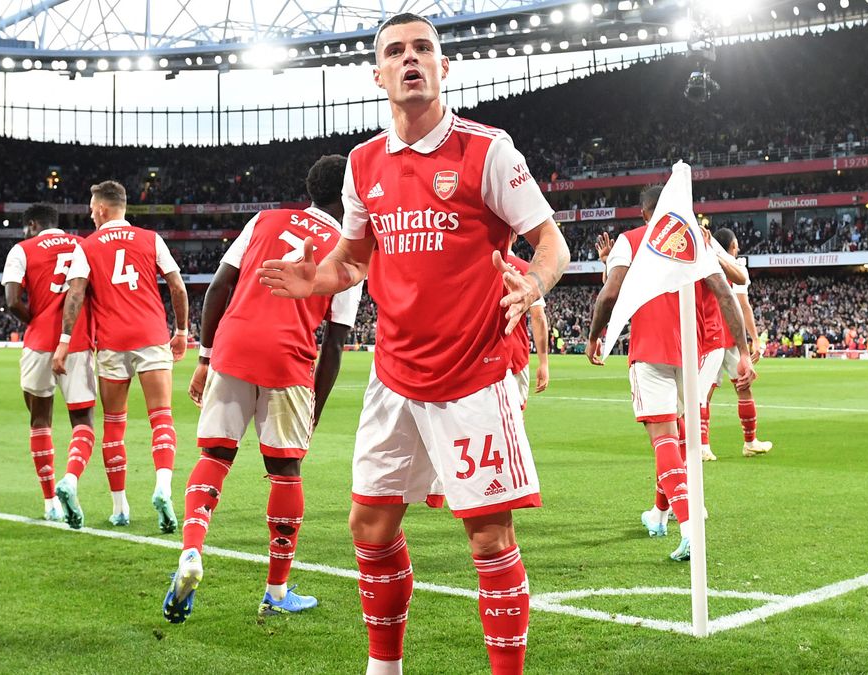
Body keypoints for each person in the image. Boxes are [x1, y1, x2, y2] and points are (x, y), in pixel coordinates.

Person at [257, 13, 570, 675]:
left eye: (423, 48)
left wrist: (533, 285)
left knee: (488, 537)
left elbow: (552, 244)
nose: (410, 59)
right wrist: (314, 276)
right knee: (369, 529)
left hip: (475, 373)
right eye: (395, 51)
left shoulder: (489, 152)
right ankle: (385, 666)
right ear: (378, 75)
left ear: (444, 67)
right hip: (394, 375)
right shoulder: (364, 164)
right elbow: (352, 260)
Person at [163, 155, 363, 623]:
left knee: (214, 457)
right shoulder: (348, 249)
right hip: (286, 357)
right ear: (350, 196)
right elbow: (335, 341)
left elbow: (218, 288)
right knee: (286, 471)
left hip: (231, 346)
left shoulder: (265, 218)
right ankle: (276, 590)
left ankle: (191, 553)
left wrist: (205, 359)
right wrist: (316, 405)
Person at [584, 186, 756, 562]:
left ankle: (690, 525)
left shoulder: (631, 241)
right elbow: (727, 294)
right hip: (691, 355)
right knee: (677, 442)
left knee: (663, 441)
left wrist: (596, 337)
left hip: (649, 351)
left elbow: (611, 294)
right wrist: (743, 353)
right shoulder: (695, 239)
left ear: (644, 213)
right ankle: (659, 513)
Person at [52, 181, 189, 532]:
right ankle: (162, 487)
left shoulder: (87, 245)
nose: (89, 212)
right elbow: (177, 286)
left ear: (101, 209)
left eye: (90, 206)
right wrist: (182, 331)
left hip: (112, 343)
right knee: (161, 417)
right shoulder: (151, 239)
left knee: (114, 426)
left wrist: (65, 341)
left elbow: (76, 294)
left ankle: (120, 508)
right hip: (151, 335)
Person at [2, 204, 97, 523]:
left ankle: (48, 504)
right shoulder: (83, 245)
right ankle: (70, 479)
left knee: (39, 420)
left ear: (32, 225)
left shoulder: (21, 249)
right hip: (78, 342)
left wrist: (38, 322)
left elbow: (13, 301)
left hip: (39, 343)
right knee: (82, 419)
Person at [708, 228, 773, 458]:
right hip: (731, 335)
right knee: (743, 388)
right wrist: (755, 339)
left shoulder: (707, 261)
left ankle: (703, 446)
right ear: (733, 247)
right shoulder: (736, 267)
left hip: (709, 334)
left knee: (705, 391)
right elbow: (743, 305)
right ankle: (750, 441)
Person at [505, 254, 550, 405]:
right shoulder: (527, 270)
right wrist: (543, 362)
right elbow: (538, 317)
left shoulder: (474, 265)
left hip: (477, 355)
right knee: (515, 417)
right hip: (515, 354)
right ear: (515, 236)